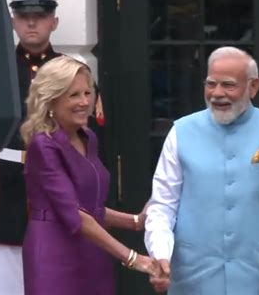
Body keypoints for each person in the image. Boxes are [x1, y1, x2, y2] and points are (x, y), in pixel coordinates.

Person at [144, 46, 259, 294]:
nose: (217, 93)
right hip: (192, 279)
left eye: (228, 85)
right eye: (211, 84)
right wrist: (160, 254)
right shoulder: (181, 132)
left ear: (253, 87)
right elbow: (162, 205)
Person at [18, 55, 159, 294]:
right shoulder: (44, 145)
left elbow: (92, 207)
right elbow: (75, 214)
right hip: (54, 255)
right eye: (73, 95)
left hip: (92, 250)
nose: (84, 102)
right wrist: (135, 258)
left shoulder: (88, 137)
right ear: (51, 101)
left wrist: (136, 222)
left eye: (87, 93)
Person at [0, 0, 67, 294]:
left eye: (40, 15)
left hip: (57, 190)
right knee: (7, 282)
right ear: (12, 21)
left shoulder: (70, 71)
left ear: (54, 21)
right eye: (23, 16)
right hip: (8, 192)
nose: (32, 22)